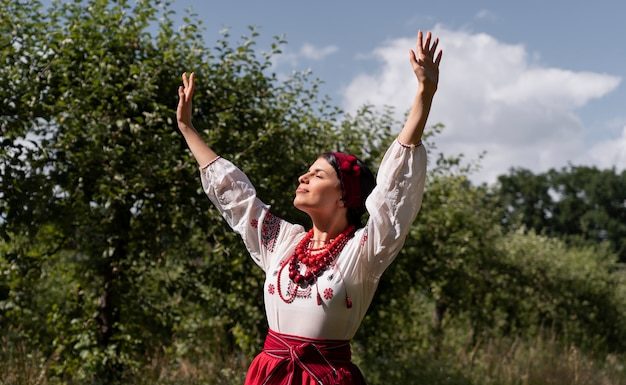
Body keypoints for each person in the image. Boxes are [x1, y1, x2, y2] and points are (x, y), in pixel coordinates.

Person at [176, 30, 442, 385]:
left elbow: (395, 193)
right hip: (270, 374)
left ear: (344, 195)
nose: (303, 177)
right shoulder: (283, 244)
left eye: (317, 174)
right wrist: (187, 129)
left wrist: (424, 94)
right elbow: (238, 199)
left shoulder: (363, 251)